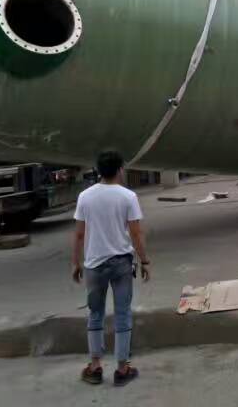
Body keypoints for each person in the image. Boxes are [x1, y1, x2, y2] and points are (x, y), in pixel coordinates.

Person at [71, 150, 150, 387]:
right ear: (120, 170)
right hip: (121, 263)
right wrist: (144, 261)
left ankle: (95, 367)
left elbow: (79, 234)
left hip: (94, 265)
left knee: (95, 313)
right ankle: (122, 369)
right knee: (122, 313)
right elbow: (135, 233)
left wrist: (76, 263)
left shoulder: (85, 197)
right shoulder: (128, 196)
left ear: (99, 171)